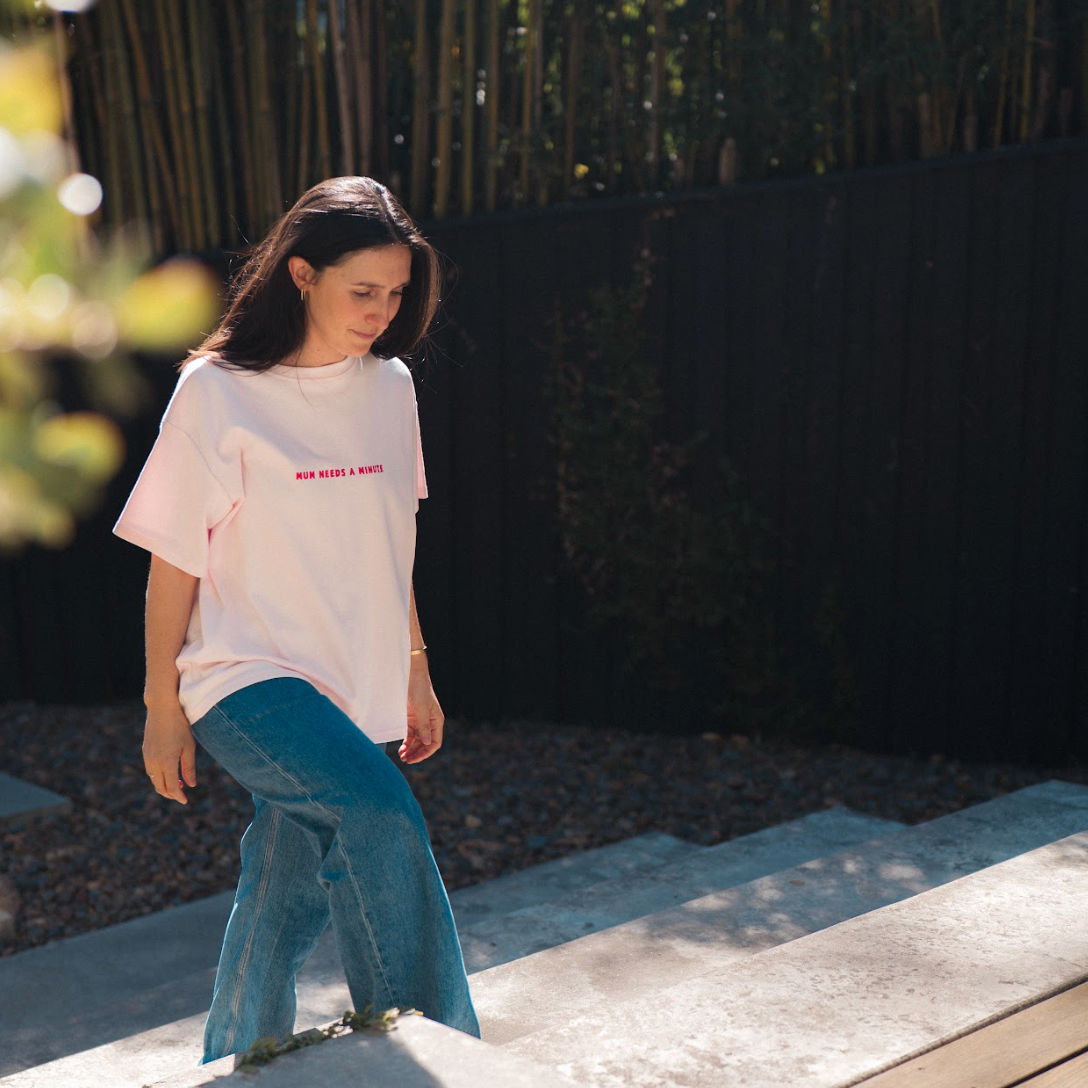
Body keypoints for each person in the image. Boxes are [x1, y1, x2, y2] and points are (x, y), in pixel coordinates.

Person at [113, 176, 480, 1063]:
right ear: (303, 275)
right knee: (378, 815)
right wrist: (163, 705)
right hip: (245, 679)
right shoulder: (218, 392)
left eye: (396, 295)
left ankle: (235, 1054)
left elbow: (391, 545)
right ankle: (431, 1049)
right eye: (364, 291)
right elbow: (174, 566)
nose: (383, 313)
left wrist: (415, 669)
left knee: (283, 892)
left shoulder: (390, 388)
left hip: (352, 682)